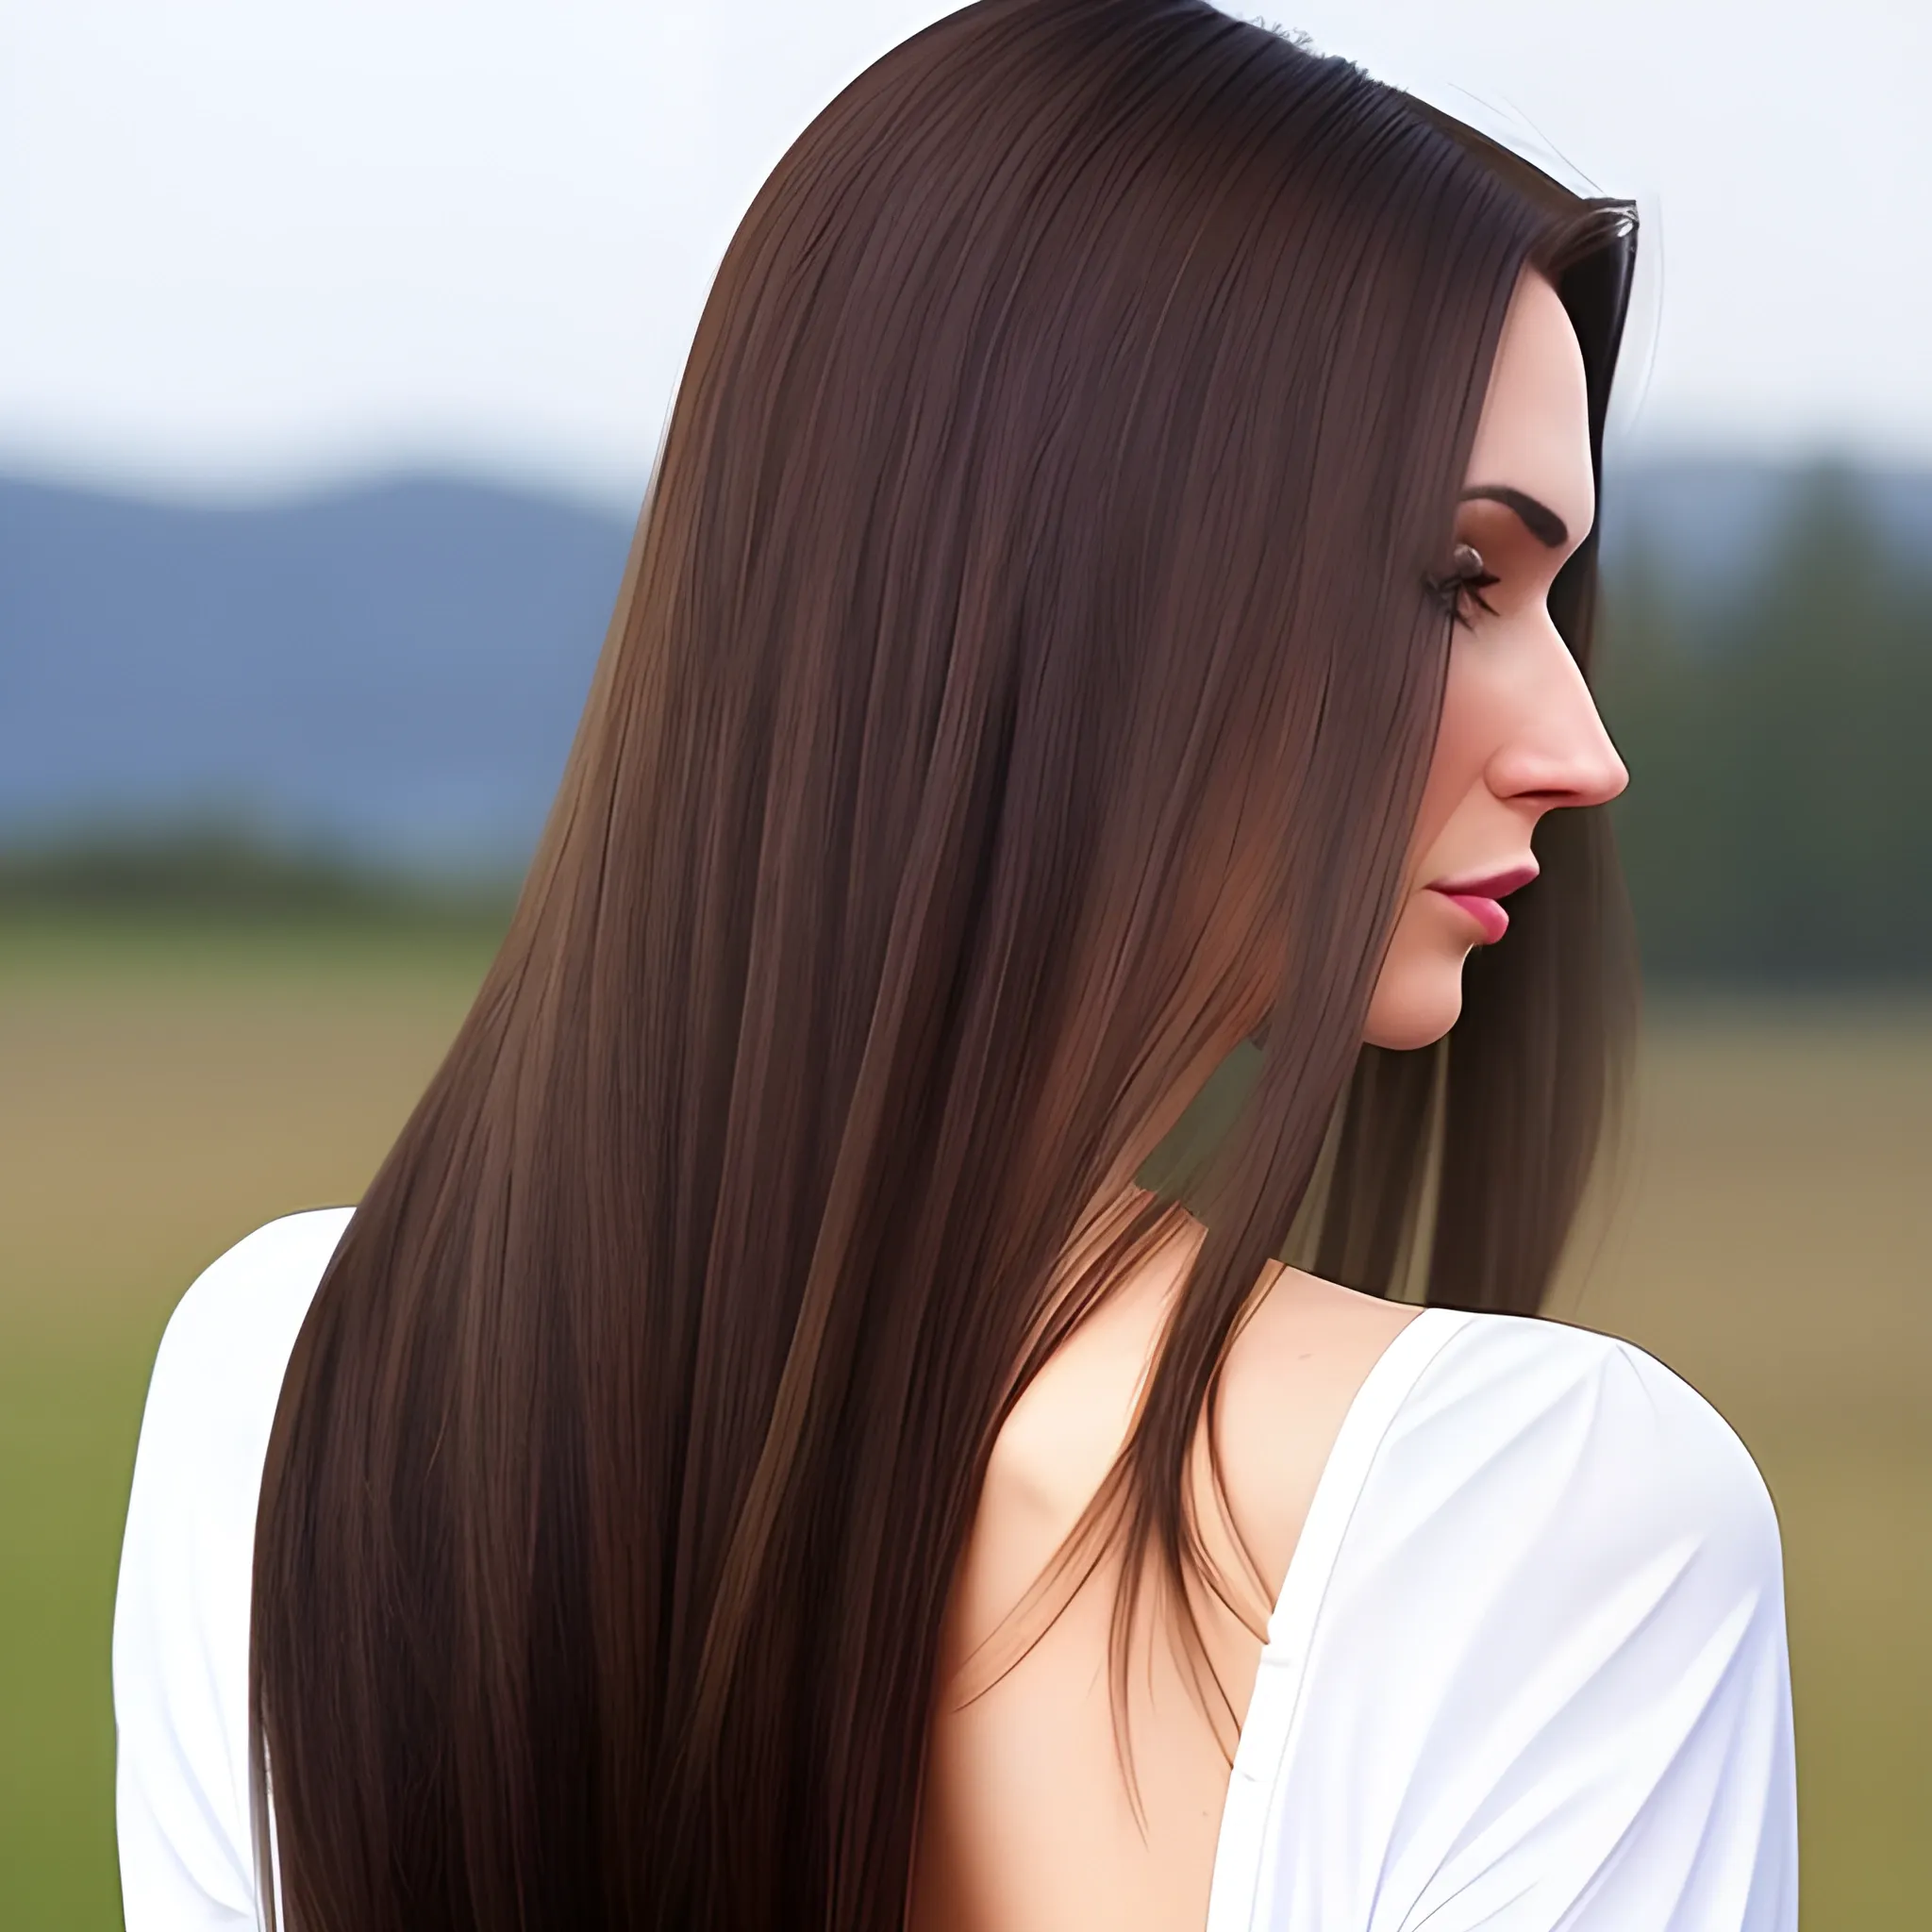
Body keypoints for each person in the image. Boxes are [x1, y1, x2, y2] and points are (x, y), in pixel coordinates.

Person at [112, 3, 1798, 1928]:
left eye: (1547, 601)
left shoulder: (285, 1385)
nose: (1582, 750)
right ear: (1072, 574)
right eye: (1455, 582)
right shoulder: (1538, 1526)